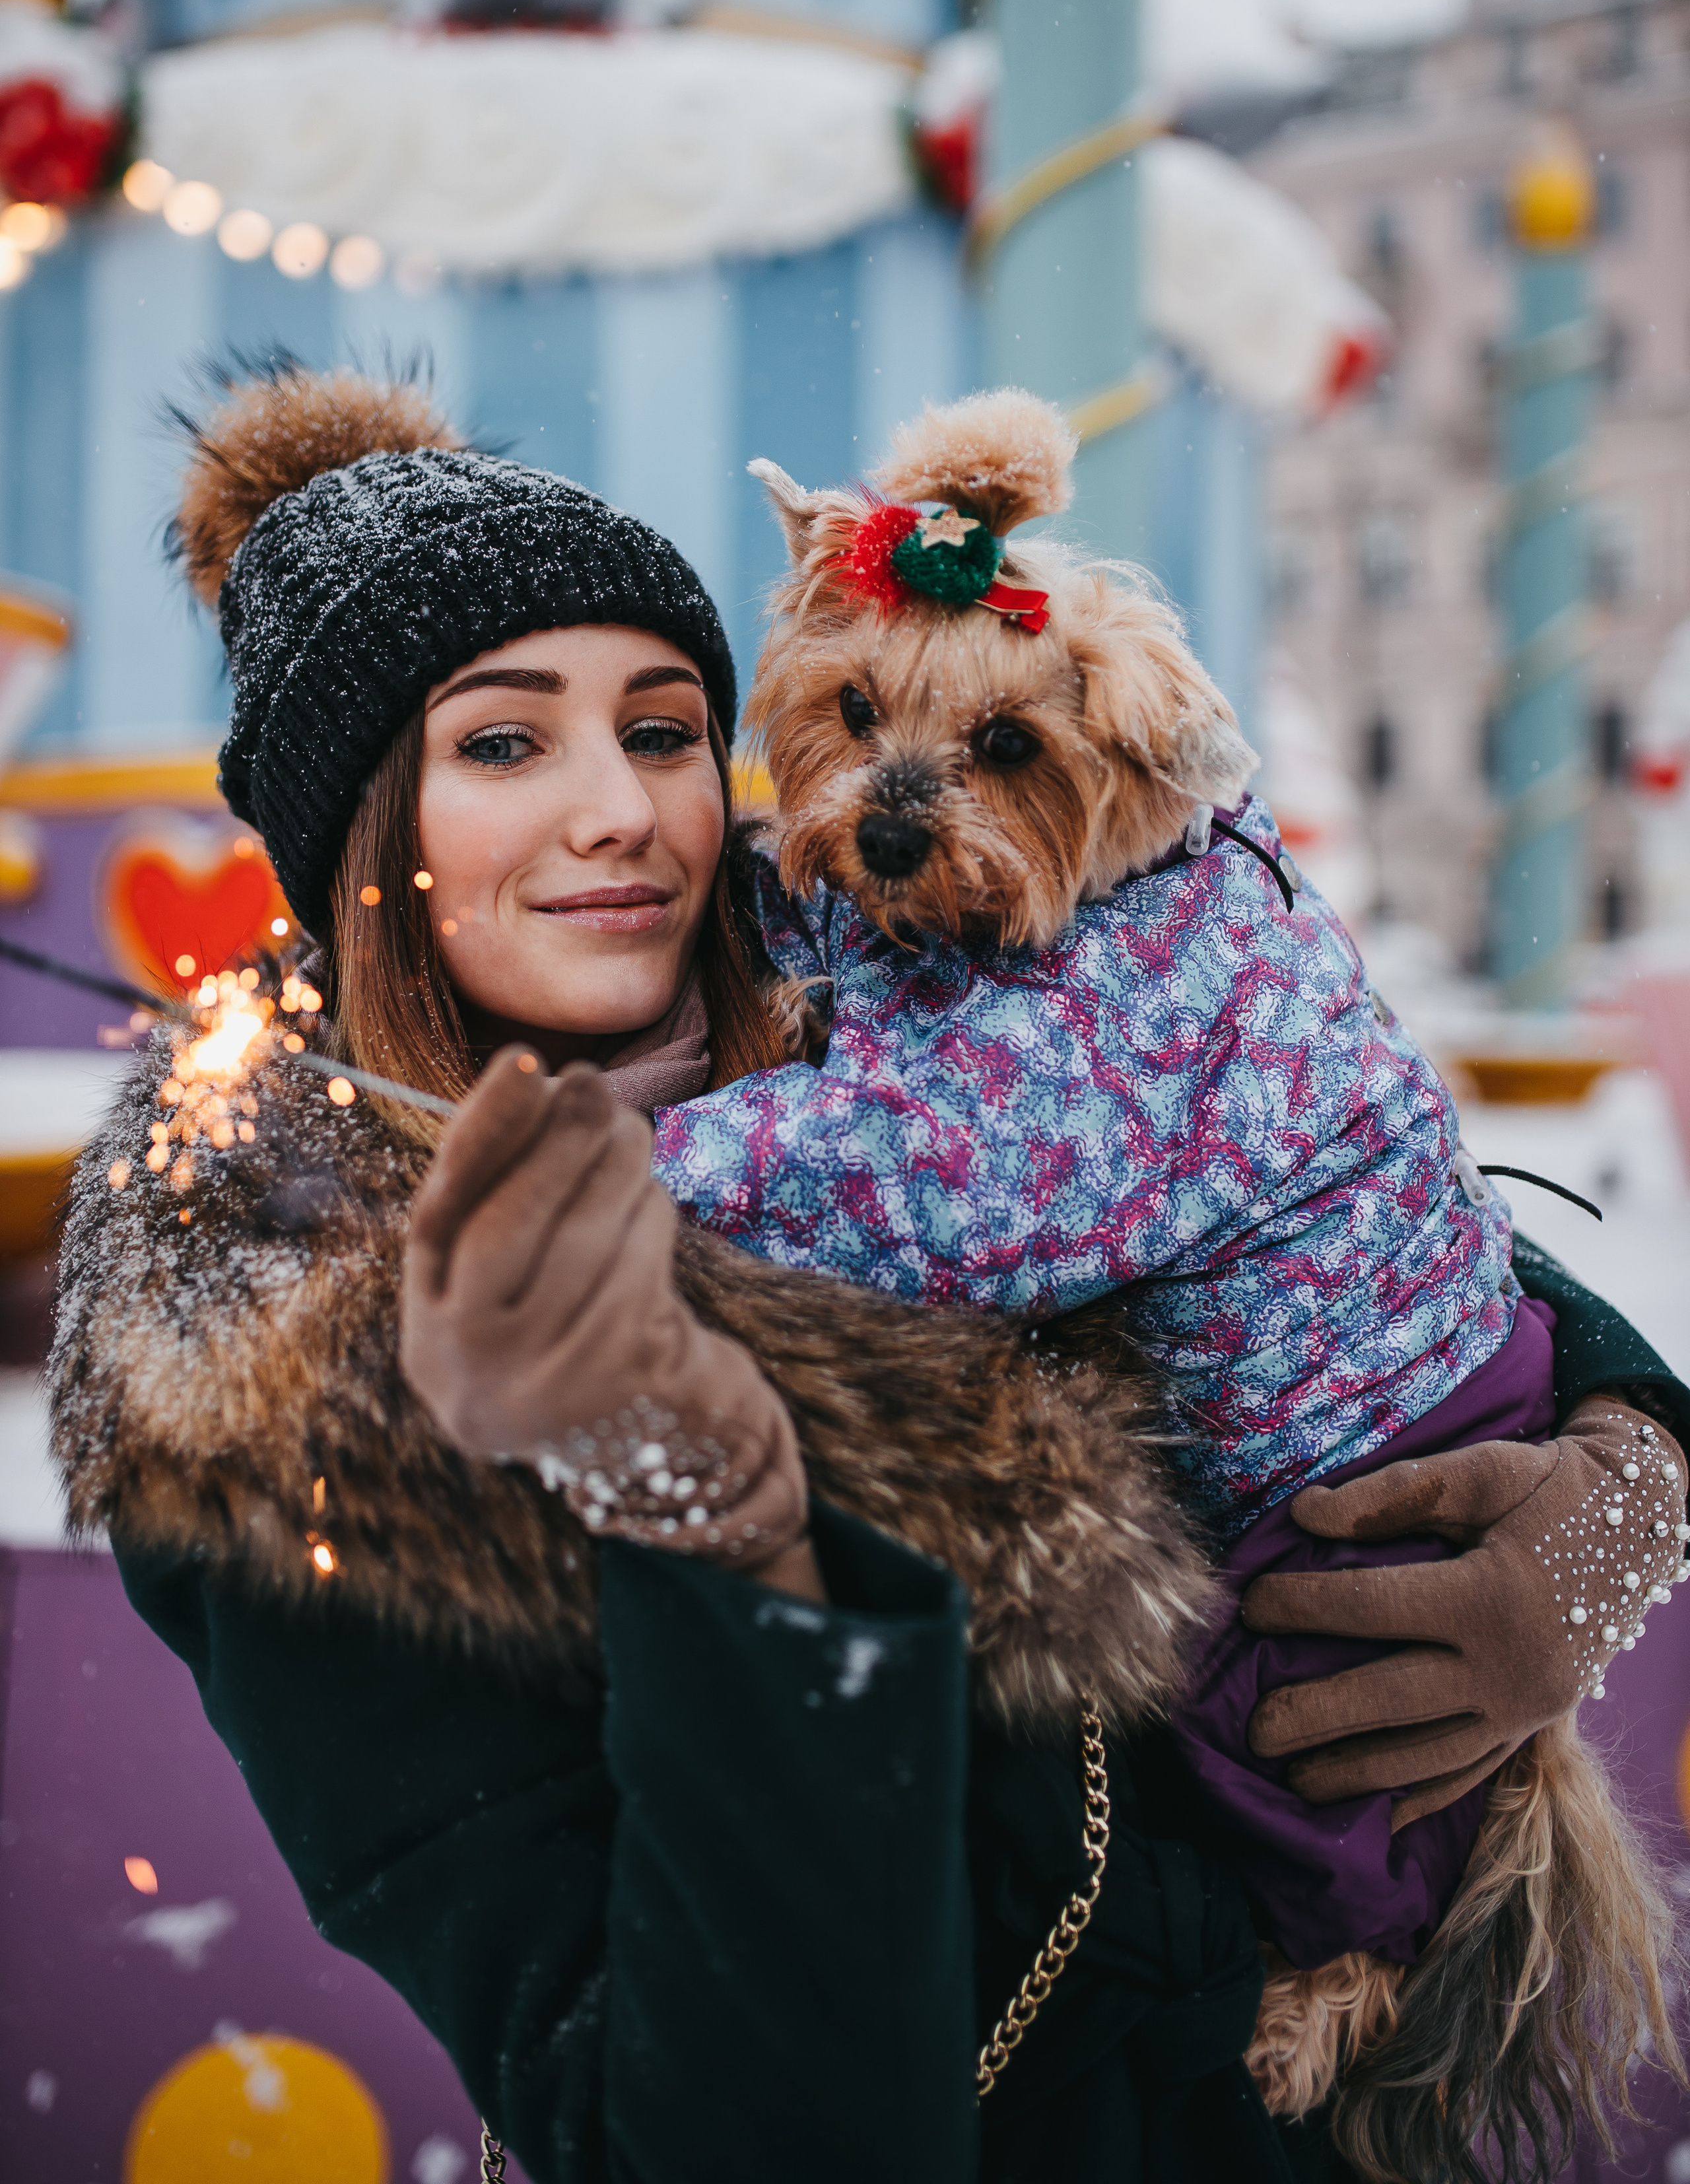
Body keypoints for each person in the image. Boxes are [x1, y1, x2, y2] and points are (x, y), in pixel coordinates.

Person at [49, 364, 1690, 2184]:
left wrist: (1628, 1465)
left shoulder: (884, 968)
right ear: (361, 836)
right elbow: (685, 2129)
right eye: (504, 746)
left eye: (666, 731)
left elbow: (1350, 1197)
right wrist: (720, 1536)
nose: (622, 814)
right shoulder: (291, 1384)